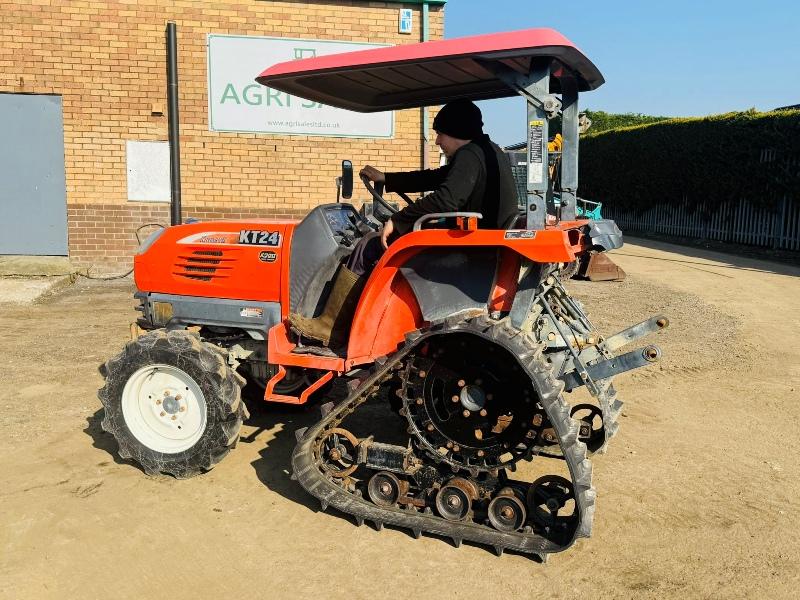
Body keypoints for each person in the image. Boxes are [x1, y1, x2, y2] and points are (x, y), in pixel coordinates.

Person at [288, 99, 518, 350]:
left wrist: (398, 221)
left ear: (455, 131)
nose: (438, 140)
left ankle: (332, 327)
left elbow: (446, 198)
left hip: (467, 248)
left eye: (440, 134)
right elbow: (436, 178)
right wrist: (387, 179)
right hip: (481, 242)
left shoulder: (469, 155)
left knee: (368, 245)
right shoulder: (487, 150)